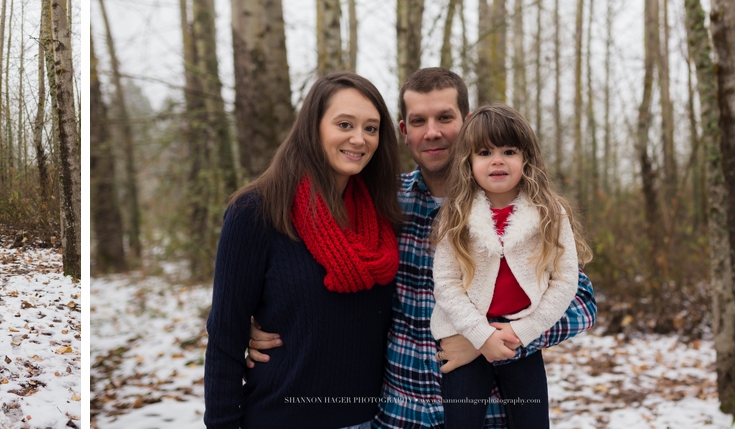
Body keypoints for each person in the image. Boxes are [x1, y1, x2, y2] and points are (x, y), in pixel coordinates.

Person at [248, 68, 597, 428]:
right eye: (418, 121)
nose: (432, 132)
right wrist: (249, 320)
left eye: (445, 117)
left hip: (490, 414)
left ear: (468, 121)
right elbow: (312, 278)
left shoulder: (521, 211)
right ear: (404, 131)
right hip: (401, 414)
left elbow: (581, 304)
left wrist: (489, 342)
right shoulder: (382, 204)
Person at [204, 72, 403, 429]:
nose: (359, 139)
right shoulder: (257, 211)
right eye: (345, 124)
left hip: (370, 421)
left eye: (371, 128)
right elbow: (225, 337)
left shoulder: (383, 212)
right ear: (313, 127)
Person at [430, 103, 592, 428]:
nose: (498, 160)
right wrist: (479, 334)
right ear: (470, 162)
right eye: (485, 152)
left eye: (509, 150)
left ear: (526, 158)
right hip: (466, 332)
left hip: (521, 336)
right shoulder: (457, 214)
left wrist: (524, 331)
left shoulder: (550, 212)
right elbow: (445, 282)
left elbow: (565, 281)